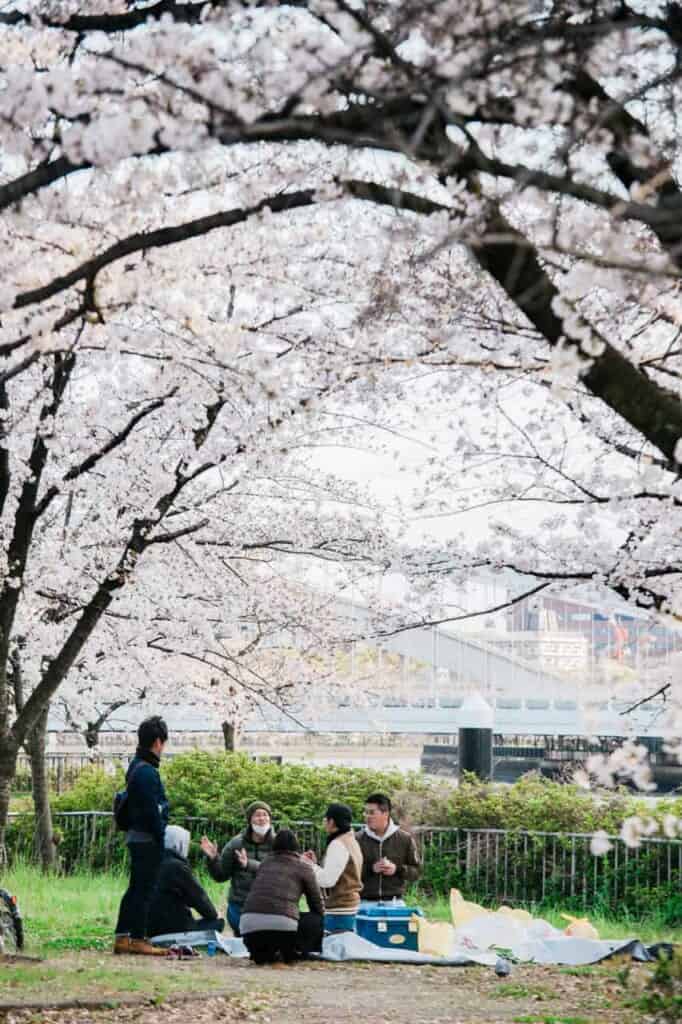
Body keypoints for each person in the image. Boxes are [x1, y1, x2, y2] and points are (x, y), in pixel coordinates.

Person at [114, 715, 170, 955]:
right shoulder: (148, 772)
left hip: (137, 837)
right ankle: (137, 938)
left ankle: (123, 937)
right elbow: (151, 810)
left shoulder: (136, 766)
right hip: (147, 839)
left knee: (135, 888)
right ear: (158, 742)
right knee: (144, 889)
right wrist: (160, 834)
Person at [240, 829, 324, 966]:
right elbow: (316, 903)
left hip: (248, 925)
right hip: (283, 928)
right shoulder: (304, 867)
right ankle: (295, 952)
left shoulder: (265, 863)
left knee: (262, 954)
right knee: (316, 919)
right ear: (296, 847)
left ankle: (260, 954)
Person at [200, 800, 275, 936]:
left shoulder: (278, 843)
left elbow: (280, 873)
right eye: (257, 815)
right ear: (249, 820)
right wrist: (213, 859)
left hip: (269, 906)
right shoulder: (236, 843)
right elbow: (220, 876)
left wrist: (248, 864)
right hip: (241, 905)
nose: (262, 819)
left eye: (265, 815)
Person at [147, 825, 225, 939]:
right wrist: (214, 914)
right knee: (217, 922)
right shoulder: (177, 866)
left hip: (148, 929)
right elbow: (200, 900)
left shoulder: (148, 862)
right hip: (173, 930)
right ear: (178, 844)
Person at [304, 803, 362, 933]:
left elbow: (327, 880)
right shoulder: (351, 840)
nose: (324, 822)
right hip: (350, 908)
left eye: (326, 818)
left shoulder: (338, 843)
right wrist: (316, 865)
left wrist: (309, 865)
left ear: (332, 821)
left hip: (339, 911)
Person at [356, 792, 421, 902]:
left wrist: (397, 869)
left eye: (371, 813)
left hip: (395, 902)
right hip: (363, 901)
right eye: (365, 812)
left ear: (385, 814)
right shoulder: (357, 839)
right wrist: (371, 869)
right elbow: (348, 873)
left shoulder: (405, 839)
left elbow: (417, 872)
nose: (367, 816)